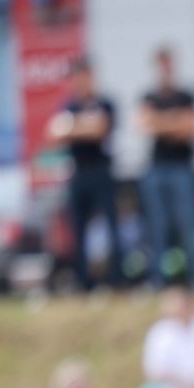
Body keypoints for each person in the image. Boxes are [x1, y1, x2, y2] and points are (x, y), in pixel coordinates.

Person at [51, 59, 121, 290]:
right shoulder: (69, 106)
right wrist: (84, 127)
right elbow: (55, 133)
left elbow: (100, 130)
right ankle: (83, 282)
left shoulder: (105, 103)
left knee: (111, 225)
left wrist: (74, 128)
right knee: (77, 229)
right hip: (79, 172)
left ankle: (116, 279)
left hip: (102, 171)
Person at [139, 46, 194, 286]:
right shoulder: (149, 97)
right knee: (158, 226)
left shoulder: (186, 95)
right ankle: (159, 280)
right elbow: (146, 125)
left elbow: (188, 128)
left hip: (183, 167)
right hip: (157, 168)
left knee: (188, 225)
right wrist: (173, 121)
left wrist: (162, 122)